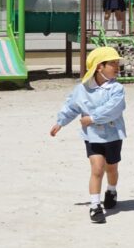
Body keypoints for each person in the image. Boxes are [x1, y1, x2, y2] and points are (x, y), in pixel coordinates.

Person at [49, 47, 126, 224]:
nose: (117, 67)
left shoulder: (117, 88)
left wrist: (92, 118)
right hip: (92, 136)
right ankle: (95, 206)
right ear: (99, 66)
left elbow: (113, 109)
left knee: (111, 168)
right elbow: (71, 106)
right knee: (97, 168)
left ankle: (111, 190)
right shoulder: (82, 89)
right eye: (112, 63)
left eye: (117, 63)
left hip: (113, 135)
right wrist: (60, 122)